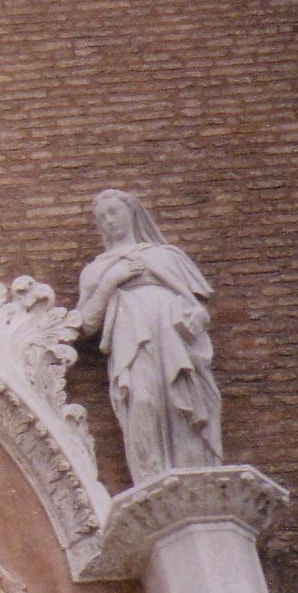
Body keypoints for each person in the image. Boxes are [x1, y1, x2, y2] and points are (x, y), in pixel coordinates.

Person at [76, 189, 223, 484]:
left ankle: (193, 473)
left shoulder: (166, 256)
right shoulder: (96, 270)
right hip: (131, 341)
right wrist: (111, 281)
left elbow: (201, 308)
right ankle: (151, 478)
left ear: (132, 212)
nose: (109, 220)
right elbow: (86, 323)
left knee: (182, 399)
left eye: (114, 212)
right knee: (143, 401)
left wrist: (198, 316)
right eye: (101, 217)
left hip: (173, 336)